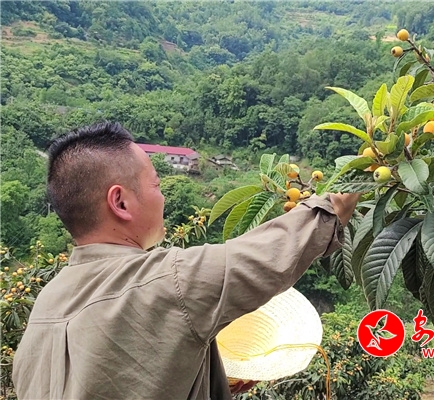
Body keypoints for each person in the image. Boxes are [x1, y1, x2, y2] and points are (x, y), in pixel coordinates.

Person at [12, 122, 360, 400]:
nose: (163, 197)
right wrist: (338, 201)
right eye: (156, 185)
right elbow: (261, 257)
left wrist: (209, 380)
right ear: (120, 202)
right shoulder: (166, 280)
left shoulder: (44, 306)